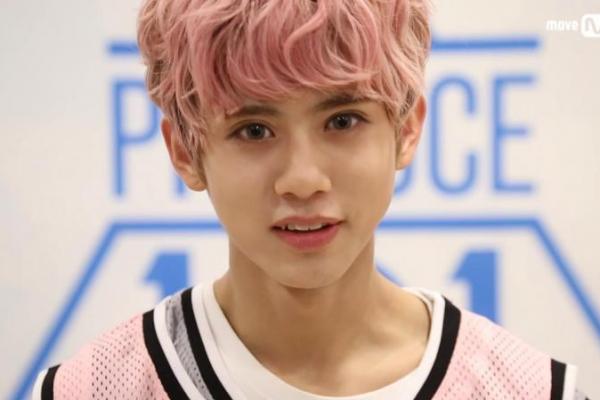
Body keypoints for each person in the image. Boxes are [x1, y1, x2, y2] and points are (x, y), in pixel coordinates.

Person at [33, 0, 588, 399]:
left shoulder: (531, 389)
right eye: (254, 129)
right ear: (185, 150)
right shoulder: (92, 388)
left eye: (342, 120)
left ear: (407, 129)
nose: (302, 179)